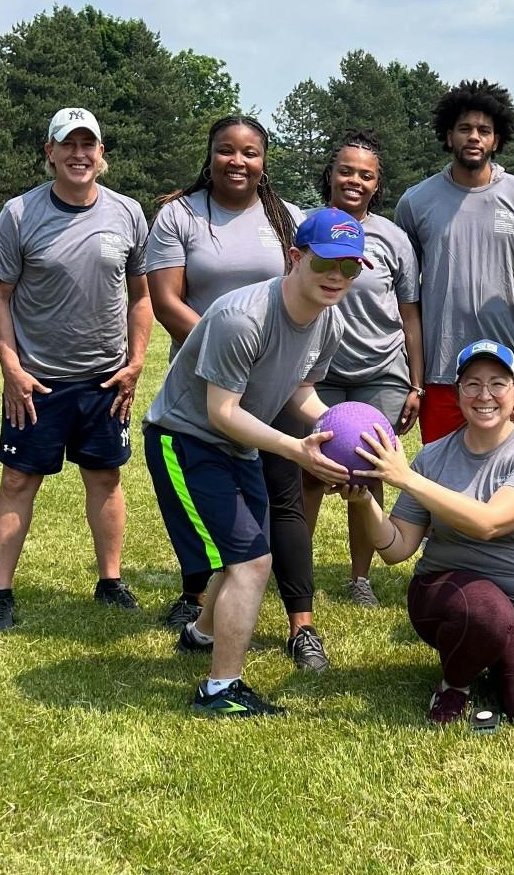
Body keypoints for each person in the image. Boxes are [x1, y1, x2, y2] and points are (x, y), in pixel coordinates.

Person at [142, 208, 360, 716]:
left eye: (350, 268)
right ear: (295, 257)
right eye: (326, 262)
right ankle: (221, 690)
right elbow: (221, 412)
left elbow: (301, 390)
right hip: (187, 438)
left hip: (238, 443)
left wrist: (341, 431)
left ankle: (200, 635)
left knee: (250, 551)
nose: (336, 277)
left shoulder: (329, 322)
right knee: (251, 561)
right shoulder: (242, 317)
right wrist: (294, 448)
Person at [144, 114, 330, 669]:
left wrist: (338, 426)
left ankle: (257, 628)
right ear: (210, 155)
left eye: (250, 152)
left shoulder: (291, 229)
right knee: (242, 550)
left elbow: (302, 384)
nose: (238, 161)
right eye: (226, 150)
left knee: (267, 526)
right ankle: (218, 671)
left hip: (260, 402)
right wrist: (231, 345)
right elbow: (166, 301)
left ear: (264, 160)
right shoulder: (180, 214)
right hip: (203, 404)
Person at [350, 340, 514, 731]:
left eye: (497, 384)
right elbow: (396, 547)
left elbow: (490, 523)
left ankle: (493, 651)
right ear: (457, 394)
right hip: (448, 593)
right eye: (472, 384)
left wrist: (407, 478)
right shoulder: (432, 456)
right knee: (486, 612)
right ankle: (455, 682)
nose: (484, 395)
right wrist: (363, 502)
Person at [0, 106, 152, 629]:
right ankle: (1, 592)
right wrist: (10, 367)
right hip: (36, 381)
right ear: (49, 153)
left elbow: (141, 297)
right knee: (17, 481)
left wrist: (136, 362)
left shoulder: (127, 213)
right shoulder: (18, 213)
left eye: (88, 145)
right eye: (68, 145)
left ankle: (111, 581)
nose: (79, 154)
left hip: (105, 379)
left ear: (102, 155)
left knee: (105, 477)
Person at [299, 129, 424, 606]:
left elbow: (410, 312)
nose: (354, 180)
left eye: (365, 175)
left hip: (381, 371)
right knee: (310, 469)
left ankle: (359, 578)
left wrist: (415, 381)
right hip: (319, 372)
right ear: (330, 174)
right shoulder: (307, 228)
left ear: (377, 183)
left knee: (367, 474)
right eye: (345, 170)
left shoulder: (394, 238)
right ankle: (299, 574)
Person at [394, 81, 514, 444]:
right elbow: (403, 293)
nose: (474, 137)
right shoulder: (416, 202)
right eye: (465, 129)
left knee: (512, 472)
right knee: (443, 480)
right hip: (441, 369)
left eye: (484, 130)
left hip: (508, 367)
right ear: (448, 136)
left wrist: (512, 305)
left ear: (496, 139)